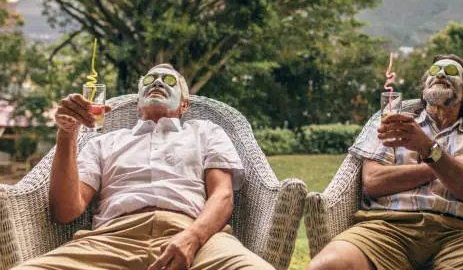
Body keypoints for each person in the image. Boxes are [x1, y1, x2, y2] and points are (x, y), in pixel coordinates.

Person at [15, 64, 274, 270]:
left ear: (184, 104)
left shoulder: (206, 132)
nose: (158, 82)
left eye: (169, 80)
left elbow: (223, 195)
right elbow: (66, 211)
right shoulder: (104, 143)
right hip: (111, 240)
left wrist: (193, 237)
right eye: (149, 81)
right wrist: (67, 134)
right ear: (139, 103)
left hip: (195, 235)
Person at [308, 55, 463, 270]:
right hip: (386, 228)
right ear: (424, 89)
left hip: (460, 235)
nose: (441, 74)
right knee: (326, 266)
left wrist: (428, 149)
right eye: (434, 72)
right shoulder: (393, 124)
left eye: (451, 71)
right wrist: (449, 163)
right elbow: (373, 182)